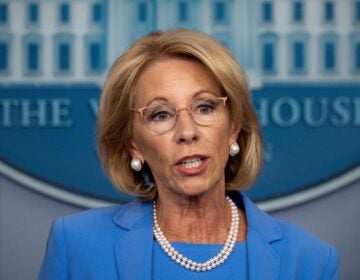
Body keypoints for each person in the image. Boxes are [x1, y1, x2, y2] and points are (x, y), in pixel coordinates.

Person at [39, 29, 339, 279]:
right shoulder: (76, 246)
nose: (187, 131)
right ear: (133, 144)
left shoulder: (309, 261)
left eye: (205, 107)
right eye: (160, 115)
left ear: (233, 127)